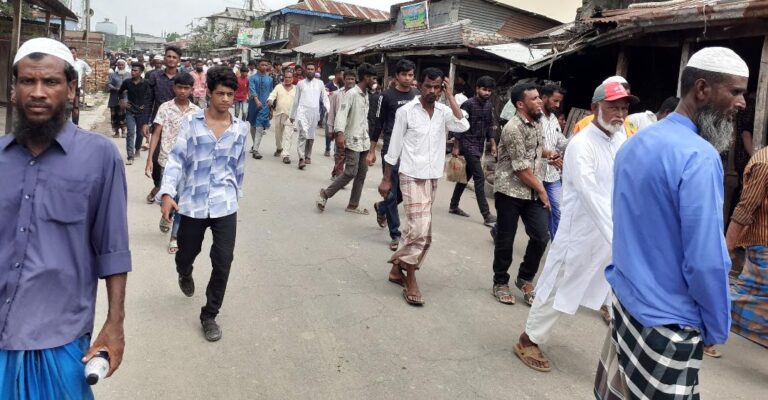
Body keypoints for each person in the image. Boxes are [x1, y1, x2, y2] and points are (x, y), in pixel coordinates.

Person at [595, 47, 748, 400]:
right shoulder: (700, 157)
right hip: (668, 323)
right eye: (736, 92)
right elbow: (705, 260)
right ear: (702, 89)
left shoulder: (637, 142)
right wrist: (716, 326)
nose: (742, 104)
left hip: (627, 303)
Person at [0, 37, 130, 398]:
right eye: (27, 81)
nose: (38, 92)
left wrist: (114, 325)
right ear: (14, 89)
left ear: (71, 89)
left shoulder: (99, 157)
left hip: (59, 340)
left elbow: (113, 250)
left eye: (51, 82)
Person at [514, 81, 634, 373]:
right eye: (613, 107)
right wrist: (622, 240)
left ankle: (629, 358)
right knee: (557, 286)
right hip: (580, 233)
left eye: (624, 107)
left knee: (612, 291)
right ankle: (528, 339)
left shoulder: (620, 140)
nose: (619, 113)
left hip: (607, 236)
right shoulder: (582, 145)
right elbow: (591, 195)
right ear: (595, 108)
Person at [158, 66, 247, 342]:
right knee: (186, 253)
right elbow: (176, 159)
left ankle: (209, 314)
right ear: (208, 93)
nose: (225, 99)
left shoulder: (241, 129)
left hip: (224, 205)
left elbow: (239, 168)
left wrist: (235, 194)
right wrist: (167, 193)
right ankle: (184, 272)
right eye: (220, 93)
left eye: (230, 94)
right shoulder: (191, 123)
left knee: (223, 261)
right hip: (194, 203)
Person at [378, 68, 469, 306]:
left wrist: (450, 97)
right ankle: (411, 279)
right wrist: (387, 179)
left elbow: (463, 125)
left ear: (442, 88)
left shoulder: (444, 112)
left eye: (437, 87)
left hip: (431, 177)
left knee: (424, 234)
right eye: (428, 86)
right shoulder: (406, 111)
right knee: (418, 230)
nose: (431, 91)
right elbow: (394, 147)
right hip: (410, 174)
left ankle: (397, 268)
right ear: (421, 85)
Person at [491, 82, 551, 307]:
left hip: (531, 189)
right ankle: (500, 281)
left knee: (541, 236)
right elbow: (521, 167)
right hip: (510, 190)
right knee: (506, 239)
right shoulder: (512, 128)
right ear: (520, 104)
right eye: (534, 98)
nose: (539, 101)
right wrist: (543, 191)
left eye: (539, 97)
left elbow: (533, 151)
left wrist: (548, 154)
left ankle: (525, 278)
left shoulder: (537, 123)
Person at [145, 72, 200, 254]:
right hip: (166, 160)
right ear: (173, 88)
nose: (183, 91)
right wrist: (149, 160)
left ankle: (175, 236)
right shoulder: (165, 108)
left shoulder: (197, 112)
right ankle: (165, 213)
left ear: (192, 90)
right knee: (168, 194)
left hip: (186, 163)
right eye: (180, 87)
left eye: (186, 88)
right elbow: (157, 133)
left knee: (181, 200)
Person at [369, 59, 419, 251]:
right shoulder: (386, 96)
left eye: (411, 75)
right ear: (397, 76)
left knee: (403, 193)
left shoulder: (416, 95)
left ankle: (381, 209)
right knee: (390, 192)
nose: (408, 78)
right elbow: (378, 124)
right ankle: (395, 234)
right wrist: (372, 150)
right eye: (404, 75)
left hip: (411, 151)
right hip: (391, 149)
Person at [316, 64, 377, 214]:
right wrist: (340, 133)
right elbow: (342, 114)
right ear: (365, 78)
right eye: (373, 78)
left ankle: (353, 205)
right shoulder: (352, 94)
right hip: (352, 139)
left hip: (363, 140)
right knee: (350, 172)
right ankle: (325, 194)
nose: (375, 81)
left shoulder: (366, 95)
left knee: (361, 173)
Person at [726, 144, 768, 348]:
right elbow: (745, 208)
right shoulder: (764, 163)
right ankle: (705, 314)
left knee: (754, 297)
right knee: (745, 296)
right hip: (763, 244)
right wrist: (727, 247)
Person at [448, 76, 498, 227]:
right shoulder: (468, 104)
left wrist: (493, 143)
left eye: (489, 90)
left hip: (479, 145)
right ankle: (486, 214)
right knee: (479, 178)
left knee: (466, 176)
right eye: (484, 89)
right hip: (467, 145)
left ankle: (453, 205)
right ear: (477, 89)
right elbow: (459, 124)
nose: (487, 92)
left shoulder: (489, 106)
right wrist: (456, 146)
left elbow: (489, 126)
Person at [143, 45, 181, 204]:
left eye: (174, 57)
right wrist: (145, 121)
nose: (171, 59)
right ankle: (158, 185)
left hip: (178, 125)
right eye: (169, 56)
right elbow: (148, 100)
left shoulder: (183, 78)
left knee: (176, 159)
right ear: (164, 59)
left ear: (179, 60)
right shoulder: (155, 77)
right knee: (157, 159)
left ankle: (168, 191)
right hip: (159, 123)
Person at [533, 84, 568, 239]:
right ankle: (499, 230)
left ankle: (557, 248)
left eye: (559, 102)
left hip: (552, 175)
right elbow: (530, 145)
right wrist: (547, 154)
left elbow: (560, 142)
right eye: (555, 101)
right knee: (524, 208)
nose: (557, 105)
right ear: (544, 97)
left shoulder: (554, 119)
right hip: (535, 174)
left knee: (559, 210)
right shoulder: (533, 116)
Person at [290, 62, 330, 170]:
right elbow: (296, 100)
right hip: (302, 112)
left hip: (314, 113)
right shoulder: (300, 83)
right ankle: (301, 158)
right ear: (305, 70)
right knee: (303, 134)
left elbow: (324, 98)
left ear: (315, 70)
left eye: (312, 69)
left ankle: (308, 155)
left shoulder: (320, 83)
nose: (310, 71)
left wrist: (329, 110)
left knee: (311, 137)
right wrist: (292, 115)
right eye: (308, 69)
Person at [572, 76, 638, 137]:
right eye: (614, 107)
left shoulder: (629, 125)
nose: (620, 114)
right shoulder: (584, 125)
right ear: (595, 107)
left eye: (626, 96)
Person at [327, 70, 357, 179]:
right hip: (339, 128)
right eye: (348, 79)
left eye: (352, 79)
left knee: (348, 152)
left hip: (352, 128)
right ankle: (339, 173)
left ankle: (336, 172)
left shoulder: (358, 94)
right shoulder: (337, 94)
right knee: (339, 151)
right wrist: (330, 129)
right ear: (344, 79)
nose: (350, 81)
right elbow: (332, 113)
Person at [118, 62, 151, 164]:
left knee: (140, 133)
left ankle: (137, 149)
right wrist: (123, 101)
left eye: (135, 70)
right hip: (130, 110)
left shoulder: (146, 83)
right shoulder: (127, 82)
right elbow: (120, 92)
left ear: (141, 72)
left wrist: (145, 106)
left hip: (141, 111)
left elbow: (149, 97)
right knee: (130, 132)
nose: (133, 72)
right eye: (132, 70)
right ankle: (130, 156)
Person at [247, 59, 274, 159]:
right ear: (257, 66)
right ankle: (255, 144)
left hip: (265, 106)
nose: (264, 67)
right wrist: (256, 99)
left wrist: (271, 107)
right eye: (262, 65)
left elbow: (271, 93)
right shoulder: (252, 78)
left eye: (266, 65)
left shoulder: (270, 79)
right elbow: (252, 89)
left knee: (259, 126)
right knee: (253, 125)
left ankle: (256, 150)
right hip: (253, 105)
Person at [268, 70, 297, 164]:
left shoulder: (296, 89)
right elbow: (272, 95)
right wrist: (270, 100)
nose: (287, 79)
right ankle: (279, 148)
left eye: (290, 77)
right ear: (283, 77)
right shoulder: (279, 87)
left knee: (288, 135)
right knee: (278, 134)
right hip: (279, 113)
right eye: (286, 77)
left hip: (291, 116)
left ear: (292, 78)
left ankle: (286, 155)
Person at [324, 67, 347, 156]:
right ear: (337, 75)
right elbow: (325, 97)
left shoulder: (343, 86)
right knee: (329, 131)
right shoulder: (328, 85)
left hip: (340, 112)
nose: (343, 76)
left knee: (339, 131)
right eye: (342, 75)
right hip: (330, 111)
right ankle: (327, 148)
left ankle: (336, 149)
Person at [107, 59, 131, 138]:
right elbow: (108, 84)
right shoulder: (112, 75)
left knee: (123, 115)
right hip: (114, 98)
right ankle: (116, 132)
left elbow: (132, 85)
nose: (120, 66)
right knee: (114, 115)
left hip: (125, 98)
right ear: (117, 66)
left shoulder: (129, 75)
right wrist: (115, 89)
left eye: (122, 65)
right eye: (119, 65)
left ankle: (124, 131)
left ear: (125, 65)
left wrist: (127, 90)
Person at [69, 46, 91, 125]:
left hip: (76, 87)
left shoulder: (81, 63)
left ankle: (75, 125)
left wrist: (83, 76)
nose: (72, 54)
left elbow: (89, 70)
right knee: (66, 107)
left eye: (73, 53)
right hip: (66, 88)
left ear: (76, 53)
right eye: (70, 53)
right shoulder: (65, 63)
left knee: (76, 107)